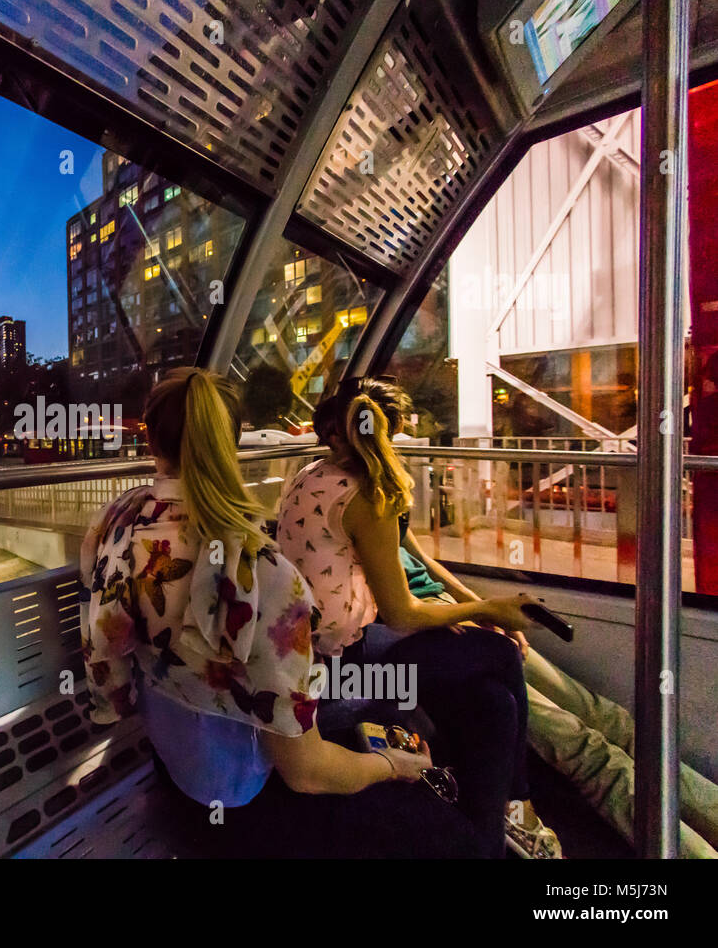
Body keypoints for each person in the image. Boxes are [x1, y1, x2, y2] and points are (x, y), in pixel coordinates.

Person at [81, 367, 483, 858]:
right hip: (249, 801)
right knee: (459, 841)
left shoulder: (117, 522)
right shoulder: (265, 576)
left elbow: (109, 662)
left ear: (149, 439)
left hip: (175, 770)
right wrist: (393, 768)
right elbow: (307, 774)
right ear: (232, 442)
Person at [277, 376, 557, 858]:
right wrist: (490, 609)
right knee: (498, 650)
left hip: (332, 651)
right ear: (394, 432)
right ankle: (517, 803)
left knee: (496, 704)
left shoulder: (311, 474)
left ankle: (488, 836)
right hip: (342, 673)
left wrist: (463, 612)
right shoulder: (366, 496)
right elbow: (402, 613)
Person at [398, 534, 718, 858]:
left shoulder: (392, 487)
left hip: (449, 608)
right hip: (424, 625)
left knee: (608, 718)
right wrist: (472, 611)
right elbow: (391, 602)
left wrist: (479, 607)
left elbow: (419, 559)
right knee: (582, 747)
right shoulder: (360, 494)